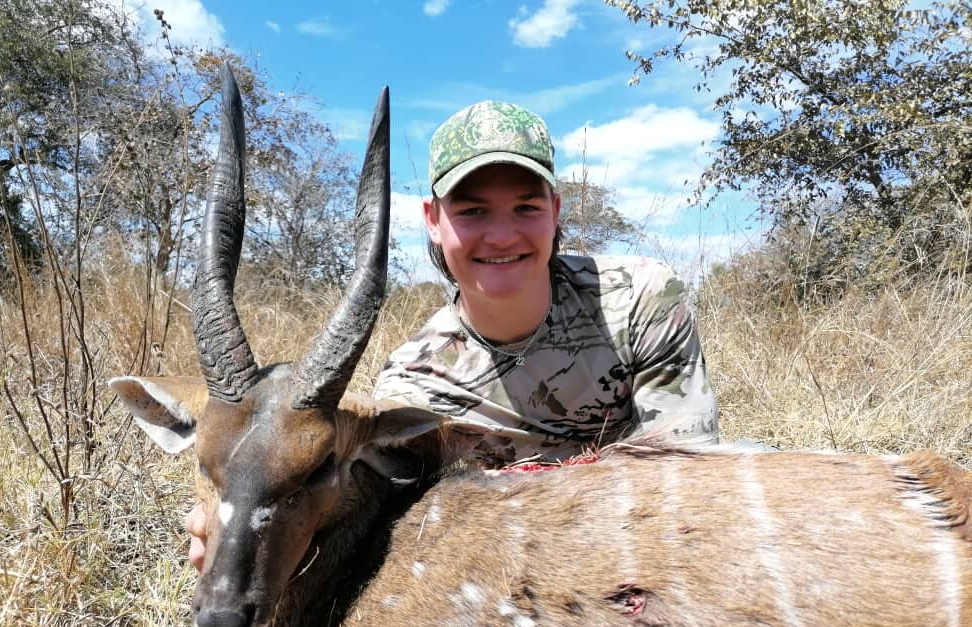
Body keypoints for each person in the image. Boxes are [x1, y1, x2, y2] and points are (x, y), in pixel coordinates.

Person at [185, 100, 719, 570]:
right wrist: (232, 520)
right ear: (432, 220)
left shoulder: (642, 297)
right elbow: (318, 481)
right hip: (525, 568)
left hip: (645, 543)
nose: (502, 235)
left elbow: (691, 475)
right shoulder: (418, 385)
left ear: (555, 212)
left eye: (527, 207)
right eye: (472, 211)